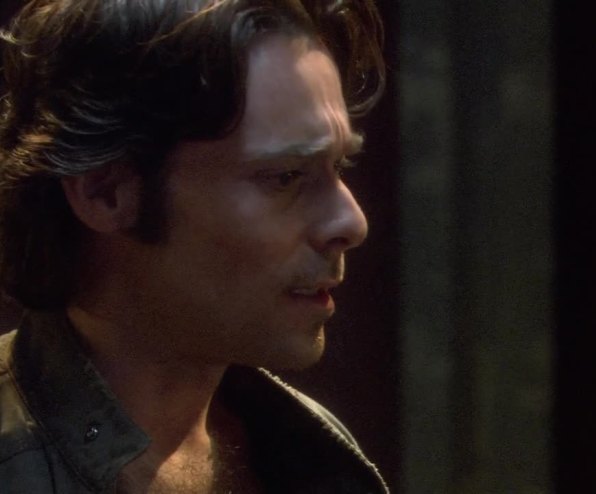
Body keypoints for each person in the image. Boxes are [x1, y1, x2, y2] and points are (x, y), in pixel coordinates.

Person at [0, 0, 388, 492]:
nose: (351, 222)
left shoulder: (310, 453)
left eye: (339, 167)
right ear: (106, 192)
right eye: (286, 176)